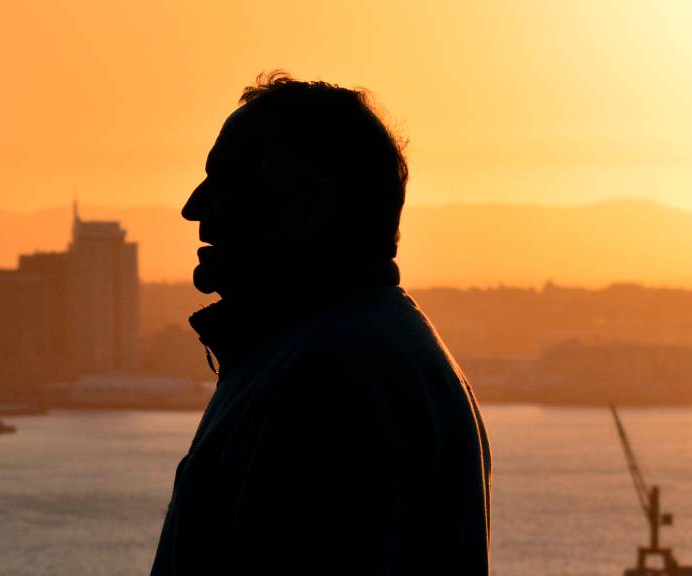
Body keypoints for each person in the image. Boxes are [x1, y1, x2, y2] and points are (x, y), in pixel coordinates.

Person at [150, 72, 492, 575]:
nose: (193, 207)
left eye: (225, 181)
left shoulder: (326, 377)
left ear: (312, 206)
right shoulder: (373, 353)